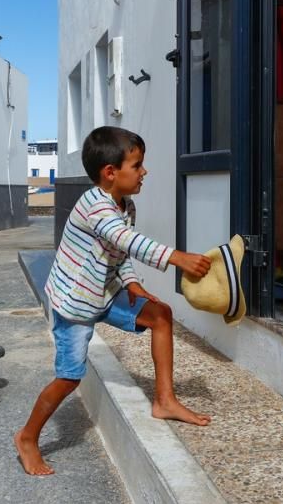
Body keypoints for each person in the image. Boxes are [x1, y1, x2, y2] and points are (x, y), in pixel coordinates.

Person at [14, 126, 213, 476]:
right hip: (74, 303)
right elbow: (126, 239)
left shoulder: (125, 205)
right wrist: (177, 257)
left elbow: (119, 252)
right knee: (69, 378)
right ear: (110, 173)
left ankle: (165, 400)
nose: (144, 171)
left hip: (104, 292)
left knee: (161, 315)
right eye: (137, 165)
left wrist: (133, 283)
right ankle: (28, 438)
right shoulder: (95, 206)